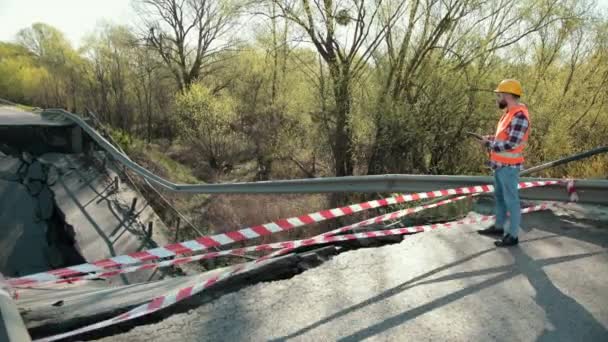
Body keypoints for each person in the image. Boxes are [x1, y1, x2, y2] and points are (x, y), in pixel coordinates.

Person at [477, 79, 530, 247]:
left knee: (511, 201)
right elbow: (504, 138)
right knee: (499, 198)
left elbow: (512, 144)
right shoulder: (509, 113)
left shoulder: (519, 116)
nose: (497, 98)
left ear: (507, 95)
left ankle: (512, 236)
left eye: (499, 95)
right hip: (500, 166)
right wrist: (491, 139)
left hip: (509, 168)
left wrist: (489, 144)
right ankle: (499, 227)